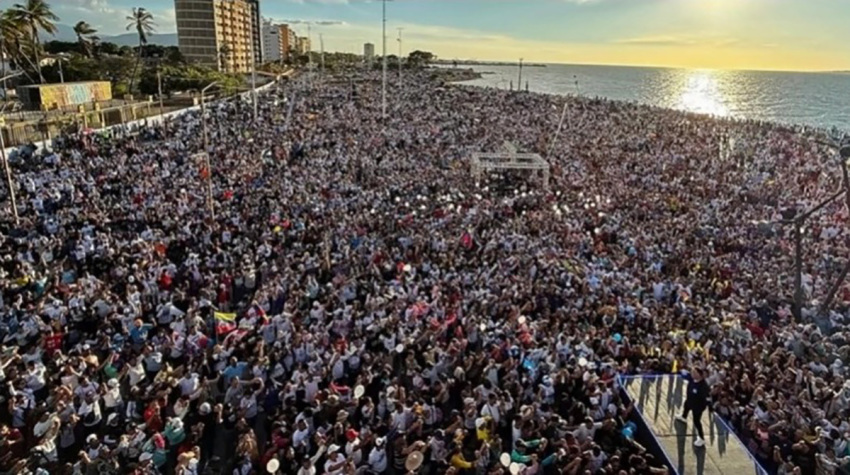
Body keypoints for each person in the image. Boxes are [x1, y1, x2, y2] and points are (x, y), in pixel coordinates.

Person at [676, 367, 710, 447]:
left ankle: (701, 438)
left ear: (700, 375)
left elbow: (706, 399)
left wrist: (703, 407)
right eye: (692, 372)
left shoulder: (704, 386)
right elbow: (684, 373)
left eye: (695, 373)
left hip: (698, 406)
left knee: (696, 421)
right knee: (686, 406)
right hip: (690, 401)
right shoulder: (692, 379)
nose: (692, 374)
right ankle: (683, 417)